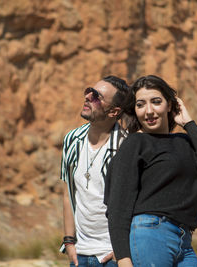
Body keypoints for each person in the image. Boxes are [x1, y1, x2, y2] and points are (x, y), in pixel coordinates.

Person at [104, 75, 197, 267]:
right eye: (141, 105)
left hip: (184, 241)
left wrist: (188, 123)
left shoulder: (186, 142)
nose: (149, 111)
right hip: (149, 233)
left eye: (156, 102)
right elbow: (118, 207)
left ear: (170, 105)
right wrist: (124, 259)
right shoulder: (135, 143)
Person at [60, 76, 129, 267]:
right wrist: (68, 241)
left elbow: (137, 203)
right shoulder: (72, 139)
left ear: (114, 111)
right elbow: (68, 192)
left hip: (113, 256)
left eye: (97, 96)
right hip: (79, 255)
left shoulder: (127, 147)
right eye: (89, 91)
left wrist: (121, 251)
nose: (88, 97)